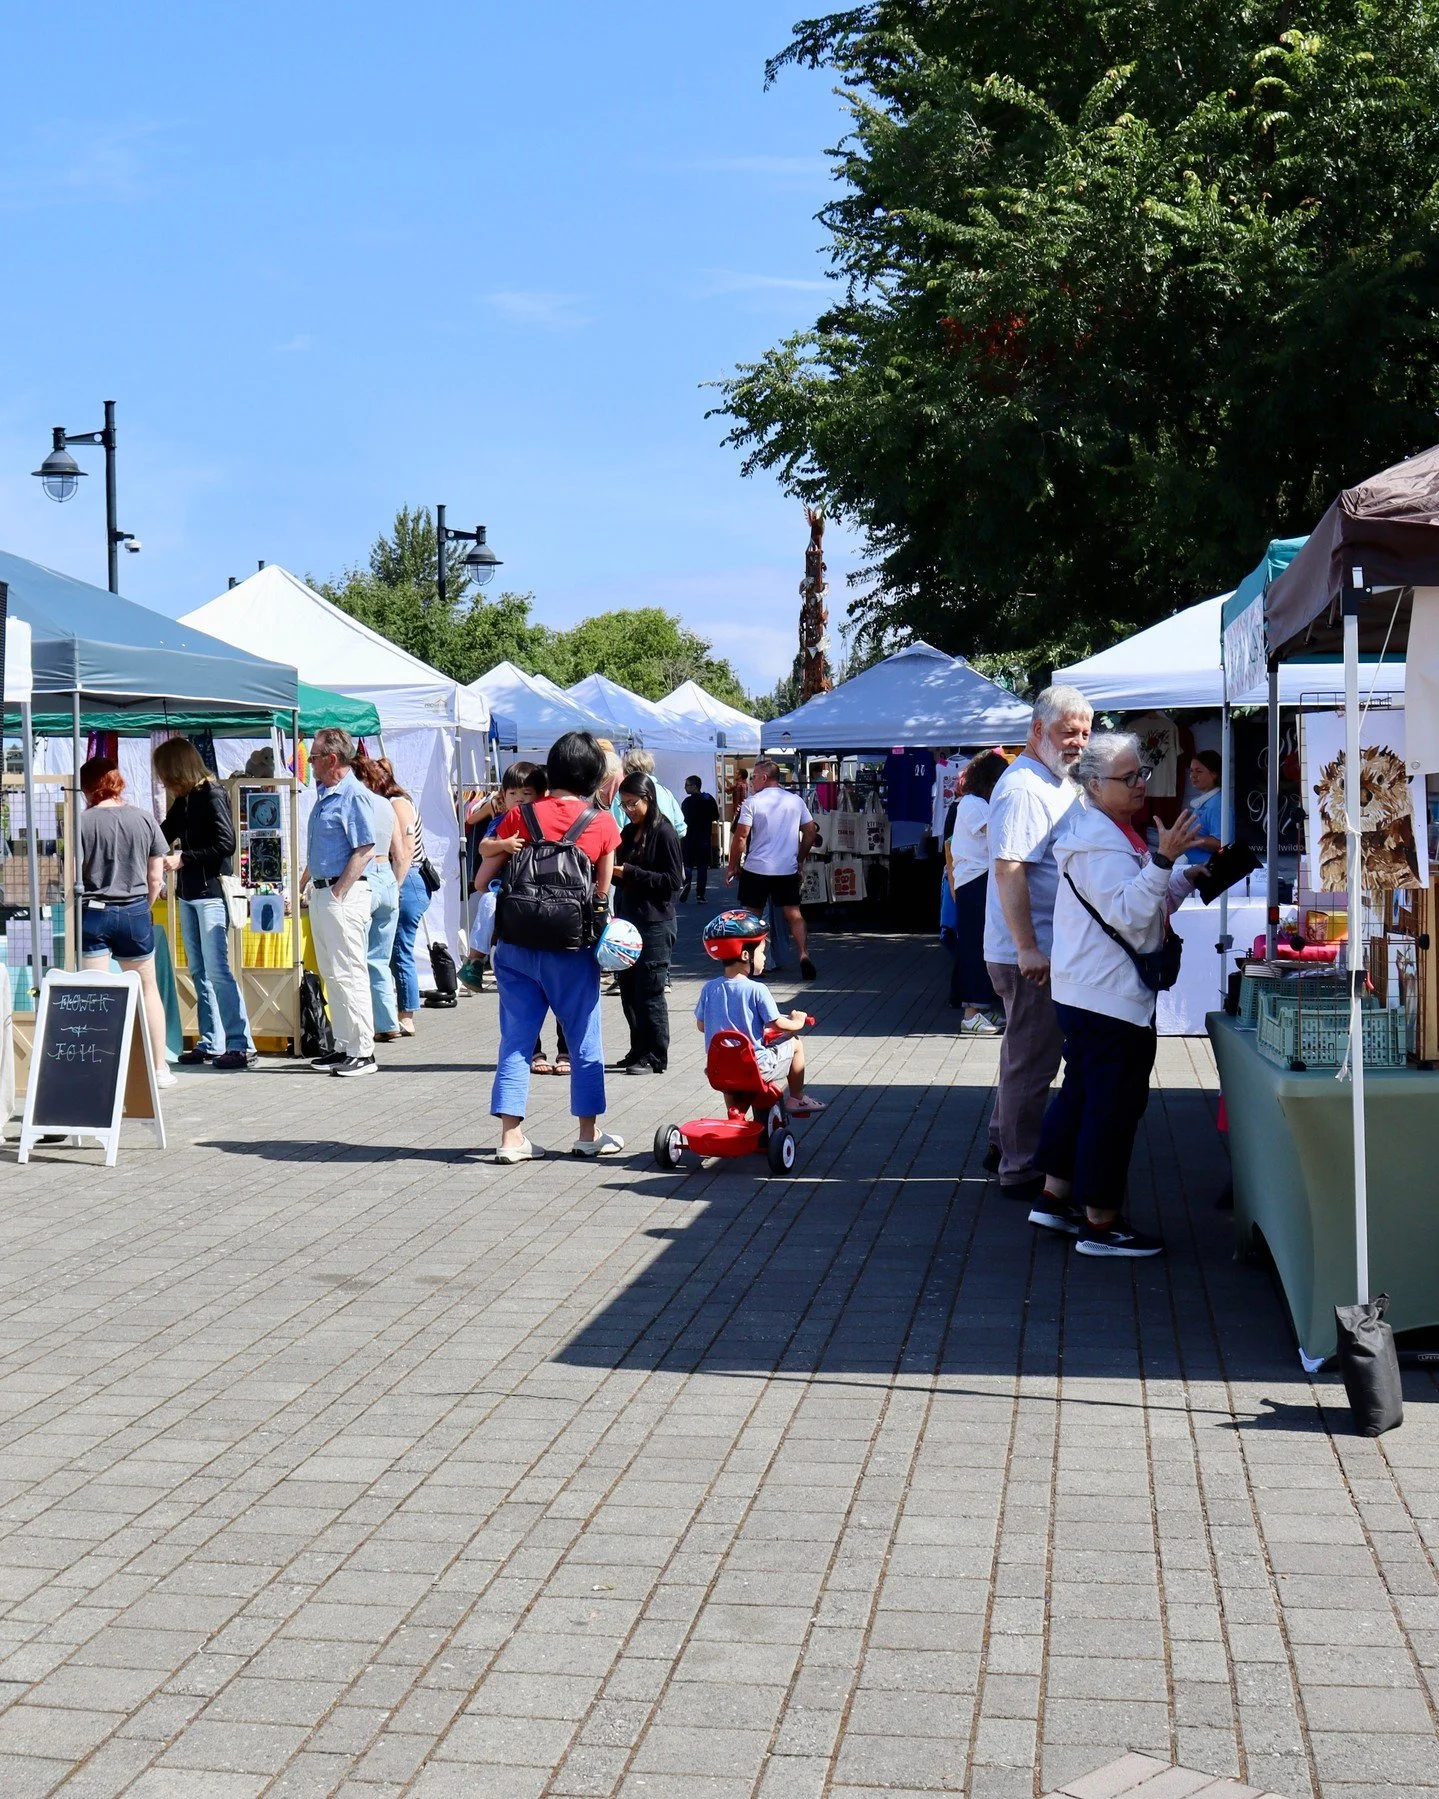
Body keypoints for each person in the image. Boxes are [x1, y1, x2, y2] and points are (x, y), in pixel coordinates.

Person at [1029, 733, 1202, 1255]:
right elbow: (1128, 913)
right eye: (1130, 777)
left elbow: (1133, 899)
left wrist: (1183, 874)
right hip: (1106, 997)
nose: (1141, 785)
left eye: (1142, 773)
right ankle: (1100, 1222)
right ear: (1094, 785)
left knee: (1084, 1092)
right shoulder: (1098, 841)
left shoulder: (1107, 833)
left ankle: (1055, 1198)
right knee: (1113, 1106)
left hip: (1091, 992)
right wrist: (1165, 861)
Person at [473, 730, 624, 1163]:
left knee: (516, 1039)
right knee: (582, 1037)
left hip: (517, 946)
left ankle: (511, 1138)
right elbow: (601, 894)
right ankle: (587, 1133)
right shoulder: (602, 823)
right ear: (595, 777)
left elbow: (482, 880)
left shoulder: (521, 816)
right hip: (572, 949)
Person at [983, 685, 1093, 1200]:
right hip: (1029, 952)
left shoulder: (1052, 780)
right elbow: (1009, 869)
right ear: (1036, 731)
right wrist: (1028, 947)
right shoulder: (1026, 787)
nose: (1077, 742)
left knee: (1022, 1053)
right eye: (1067, 732)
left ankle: (1003, 1142)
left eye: (1084, 733)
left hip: (1038, 947)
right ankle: (1020, 1166)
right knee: (1033, 1060)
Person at [153, 737, 255, 1071]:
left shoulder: (212, 794)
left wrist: (185, 858)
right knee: (199, 971)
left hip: (211, 893)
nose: (163, 781)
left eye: (165, 774)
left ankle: (241, 1044)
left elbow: (227, 843)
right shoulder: (184, 799)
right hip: (189, 894)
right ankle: (212, 1041)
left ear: (177, 769)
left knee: (217, 970)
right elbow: (163, 833)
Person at [77, 757, 175, 1089]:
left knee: (96, 992)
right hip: (133, 910)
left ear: (88, 787)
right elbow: (155, 876)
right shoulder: (145, 819)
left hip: (94, 911)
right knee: (148, 989)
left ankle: (100, 1067)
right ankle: (160, 1068)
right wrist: (142, 908)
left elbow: (71, 877)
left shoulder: (82, 822)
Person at [303, 728, 378, 1077]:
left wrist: (338, 892)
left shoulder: (353, 796)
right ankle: (344, 1045)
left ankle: (363, 1051)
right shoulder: (326, 795)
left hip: (341, 894)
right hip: (324, 891)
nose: (310, 762)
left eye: (314, 756)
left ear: (332, 759)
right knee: (333, 973)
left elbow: (365, 848)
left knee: (349, 972)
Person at [695, 910, 822, 1114]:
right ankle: (797, 1098)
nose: (763, 958)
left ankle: (735, 1114)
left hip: (718, 1069)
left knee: (730, 1068)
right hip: (756, 1067)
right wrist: (797, 1022)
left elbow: (702, 1025)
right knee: (795, 1044)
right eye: (762, 952)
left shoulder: (709, 988)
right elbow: (776, 1024)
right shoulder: (757, 989)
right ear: (746, 955)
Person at [613, 772, 683, 1073]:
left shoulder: (663, 831)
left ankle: (656, 1056)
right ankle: (638, 1048)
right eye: (624, 804)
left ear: (648, 798)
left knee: (650, 990)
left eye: (633, 803)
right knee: (628, 988)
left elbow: (673, 881)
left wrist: (629, 872)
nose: (628, 810)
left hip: (655, 922)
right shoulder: (628, 833)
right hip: (628, 920)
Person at [726, 759, 821, 981]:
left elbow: (741, 836)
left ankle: (752, 963)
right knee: (794, 915)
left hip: (757, 868)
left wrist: (732, 866)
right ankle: (804, 954)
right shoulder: (795, 801)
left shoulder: (753, 802)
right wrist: (799, 858)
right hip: (785, 868)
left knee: (752, 917)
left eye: (754, 777)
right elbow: (810, 832)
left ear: (764, 778)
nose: (751, 781)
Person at [353, 754, 413, 1043]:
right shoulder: (386, 805)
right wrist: (395, 884)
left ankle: (368, 1022)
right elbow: (401, 854)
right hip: (387, 876)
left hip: (364, 876)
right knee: (379, 958)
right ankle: (387, 1021)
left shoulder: (354, 802)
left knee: (359, 958)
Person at [949, 750, 1008, 1035]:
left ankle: (981, 1008)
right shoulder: (973, 804)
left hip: (977, 879)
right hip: (975, 879)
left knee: (983, 943)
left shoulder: (974, 803)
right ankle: (971, 1013)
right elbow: (998, 833)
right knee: (974, 945)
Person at [371, 756, 427, 1038]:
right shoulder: (394, 802)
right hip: (404, 880)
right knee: (393, 949)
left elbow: (404, 852)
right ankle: (399, 1013)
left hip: (408, 881)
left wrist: (393, 886)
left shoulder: (397, 804)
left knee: (399, 949)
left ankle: (407, 1014)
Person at [617, 748, 684, 831]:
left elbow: (616, 828)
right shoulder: (665, 792)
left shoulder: (622, 794)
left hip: (636, 842)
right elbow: (680, 828)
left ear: (626, 770)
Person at [679, 775, 720, 903]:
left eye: (687, 785)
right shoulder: (708, 799)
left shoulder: (686, 802)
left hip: (689, 837)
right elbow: (716, 816)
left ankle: (687, 883)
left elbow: (682, 819)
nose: (685, 788)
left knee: (688, 864)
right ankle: (700, 895)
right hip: (704, 837)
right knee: (702, 867)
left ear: (695, 786)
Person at [1185, 750, 1224, 865]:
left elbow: (1221, 844)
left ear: (1214, 774)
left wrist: (1189, 837)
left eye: (1199, 771)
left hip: (1208, 871)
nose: (1193, 776)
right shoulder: (1206, 801)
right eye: (1191, 771)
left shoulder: (1216, 804)